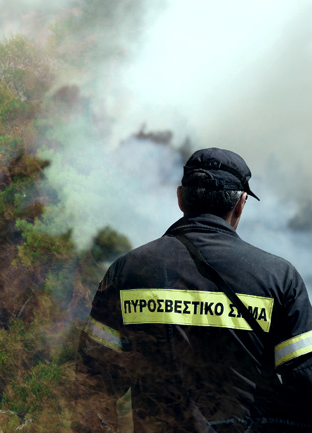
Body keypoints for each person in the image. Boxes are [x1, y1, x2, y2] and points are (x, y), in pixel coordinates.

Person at [74, 148, 312, 432]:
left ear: (180, 198)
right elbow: (305, 383)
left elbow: (92, 386)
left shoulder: (127, 272)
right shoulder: (280, 278)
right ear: (240, 204)